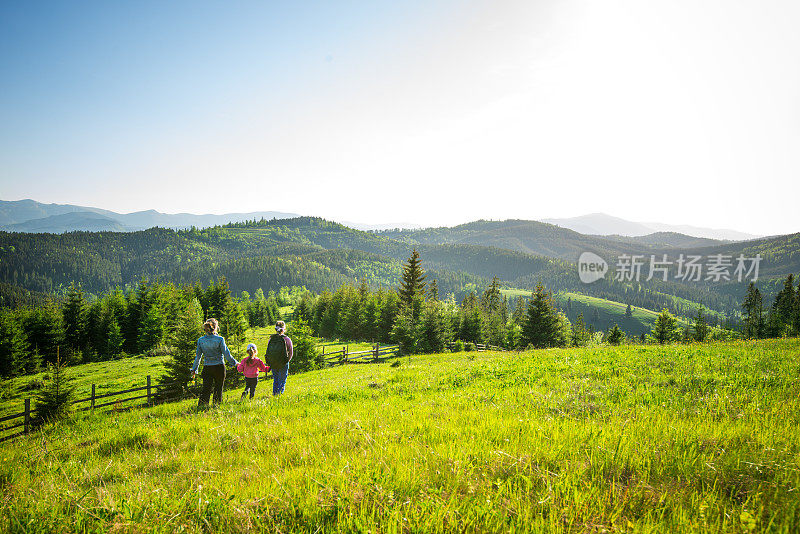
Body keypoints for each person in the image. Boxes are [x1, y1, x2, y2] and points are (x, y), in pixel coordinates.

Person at [191, 318, 239, 407]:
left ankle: (202, 407)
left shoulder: (201, 340)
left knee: (206, 389)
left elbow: (198, 357)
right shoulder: (220, 339)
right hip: (219, 367)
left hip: (207, 367)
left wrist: (194, 369)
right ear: (216, 327)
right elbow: (226, 354)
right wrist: (235, 363)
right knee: (218, 388)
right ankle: (216, 407)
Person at [265, 320, 293, 396]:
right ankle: (279, 395)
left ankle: (275, 394)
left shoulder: (271, 339)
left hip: (274, 363)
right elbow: (291, 352)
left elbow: (268, 351)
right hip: (283, 362)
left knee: (276, 379)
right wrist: (286, 361)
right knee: (282, 380)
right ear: (284, 329)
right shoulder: (287, 339)